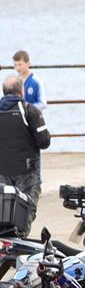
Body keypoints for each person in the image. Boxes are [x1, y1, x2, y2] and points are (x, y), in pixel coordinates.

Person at [0, 76, 50, 236]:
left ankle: (5, 244)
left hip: (2, 171)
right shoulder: (30, 110)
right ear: (21, 91)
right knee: (24, 209)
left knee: (3, 211)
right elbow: (44, 141)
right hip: (27, 171)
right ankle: (19, 241)